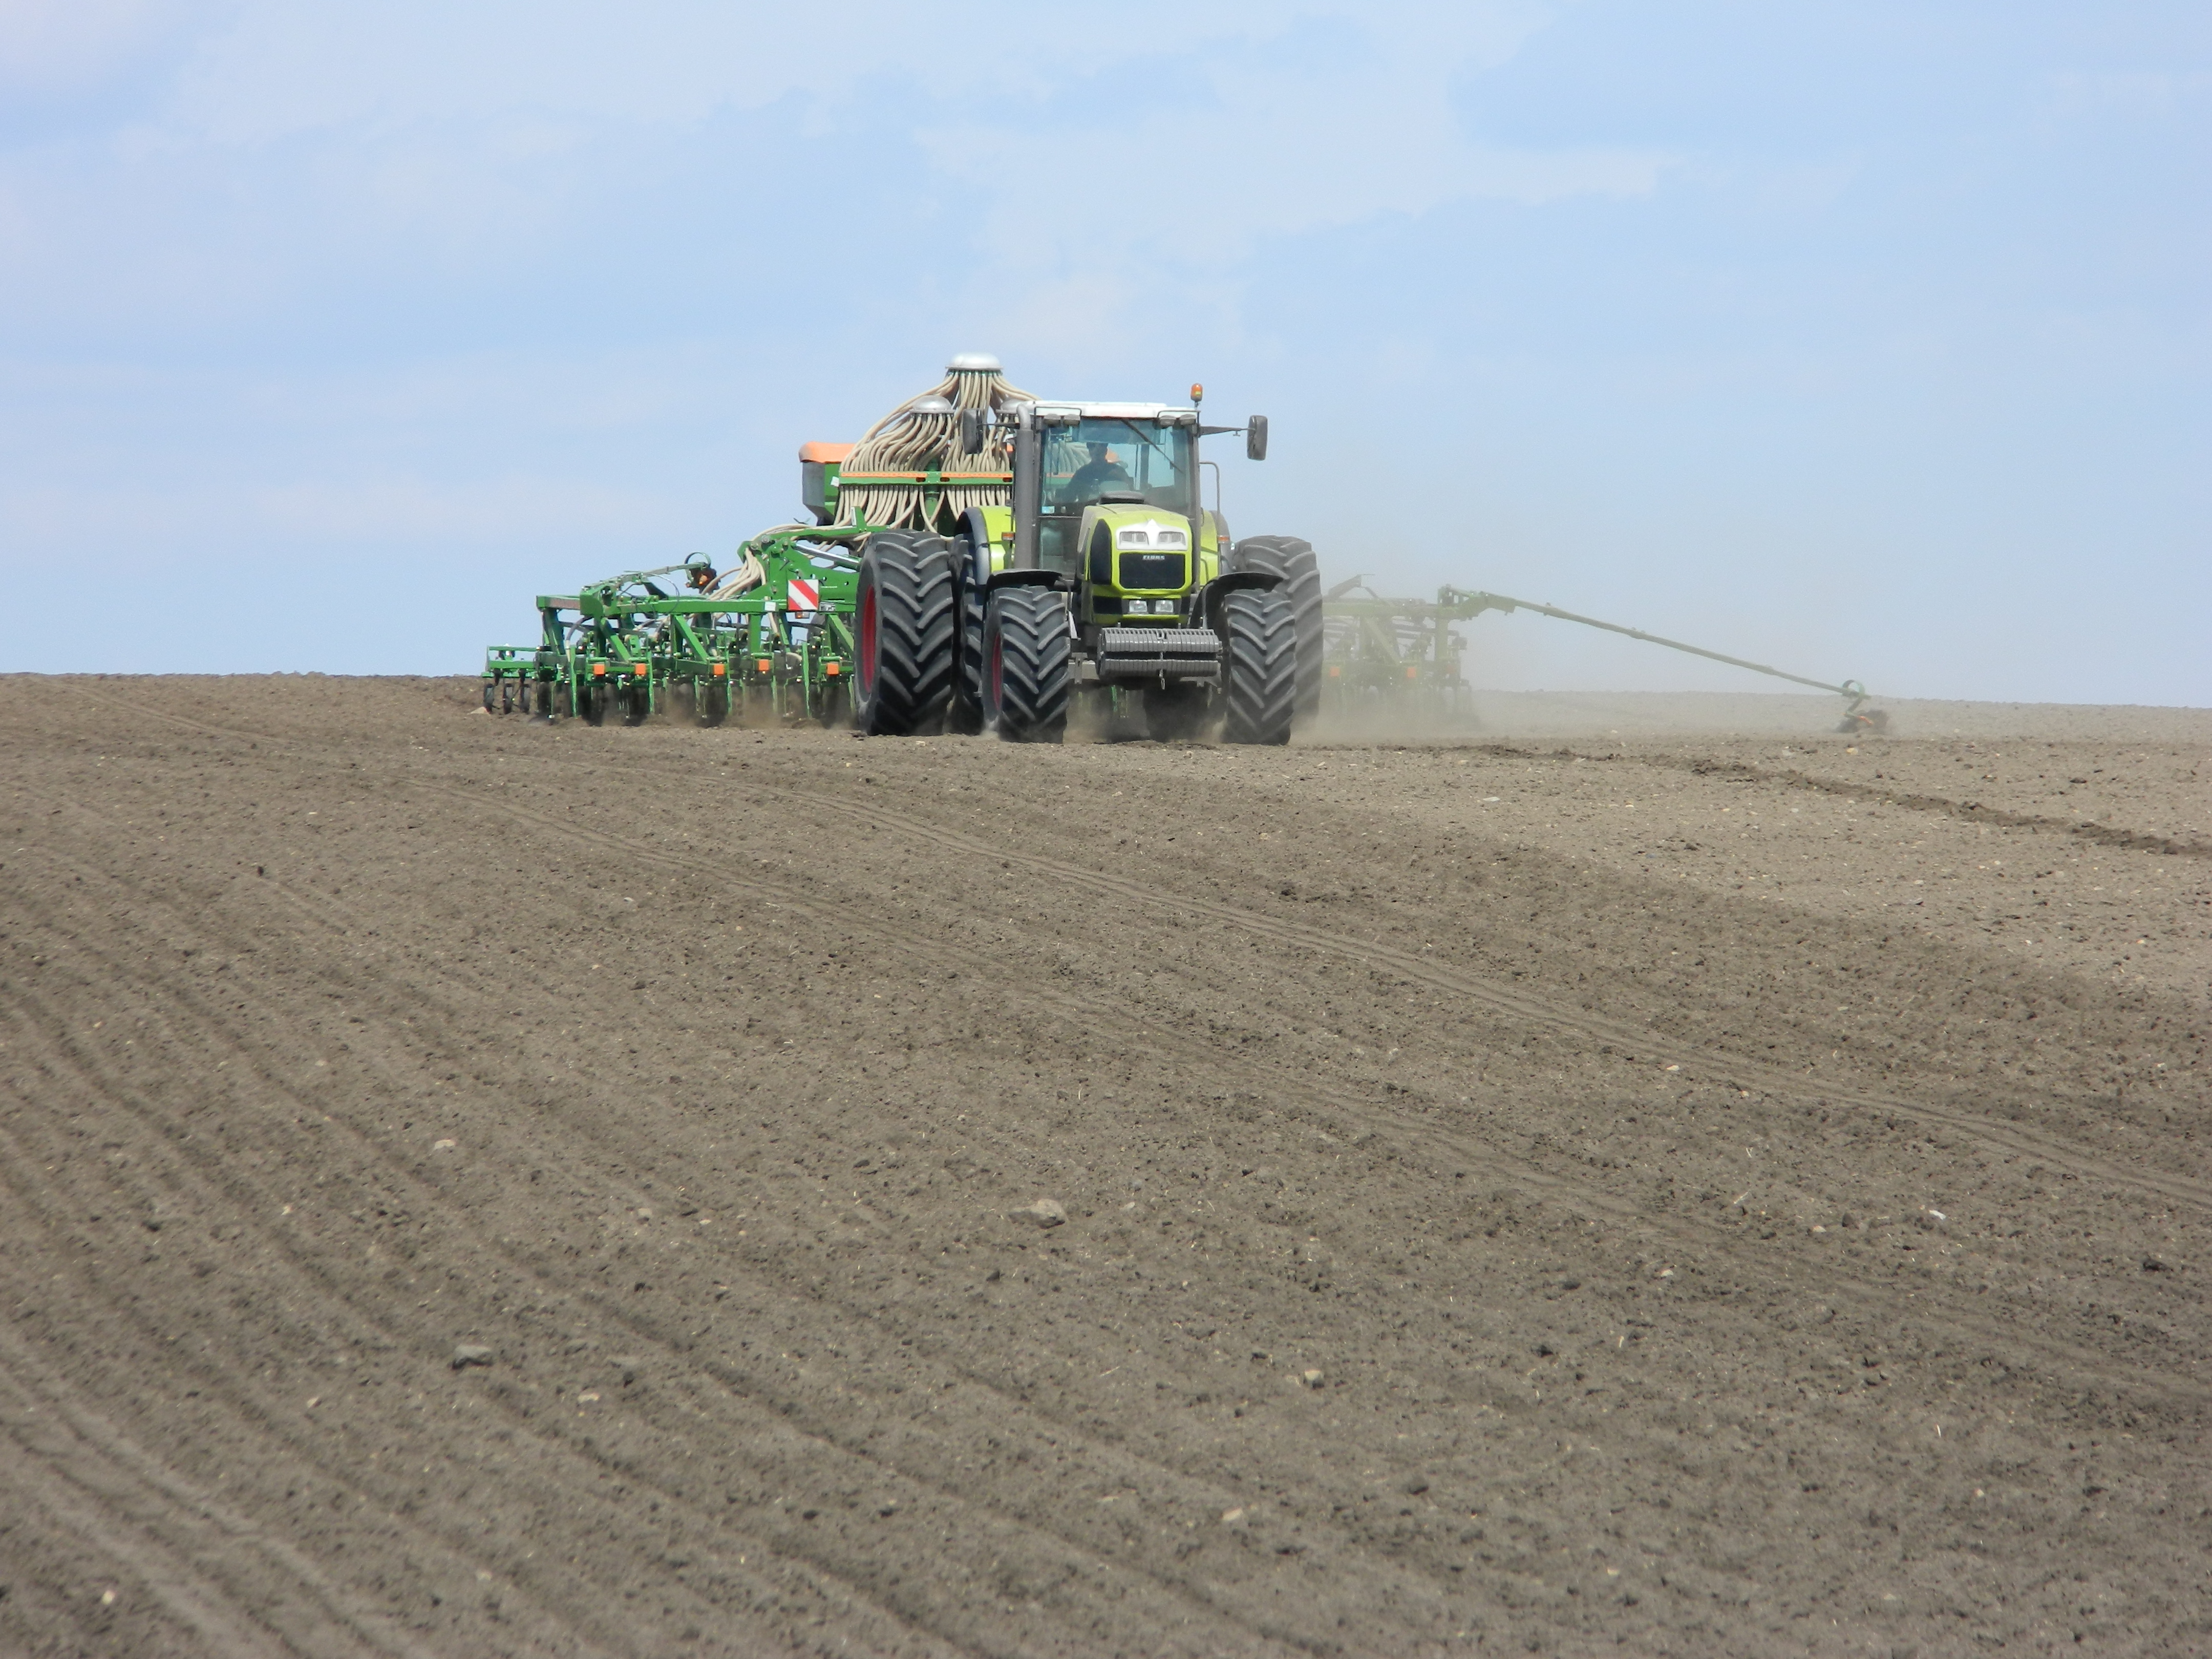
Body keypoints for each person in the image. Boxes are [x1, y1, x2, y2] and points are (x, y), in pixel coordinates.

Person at [1064, 441, 1132, 502]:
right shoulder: (1081, 474)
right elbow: (1068, 498)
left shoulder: (1119, 473)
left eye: (1100, 452)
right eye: (1093, 447)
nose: (1097, 451)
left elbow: (1131, 494)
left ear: (1105, 451)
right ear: (1090, 452)